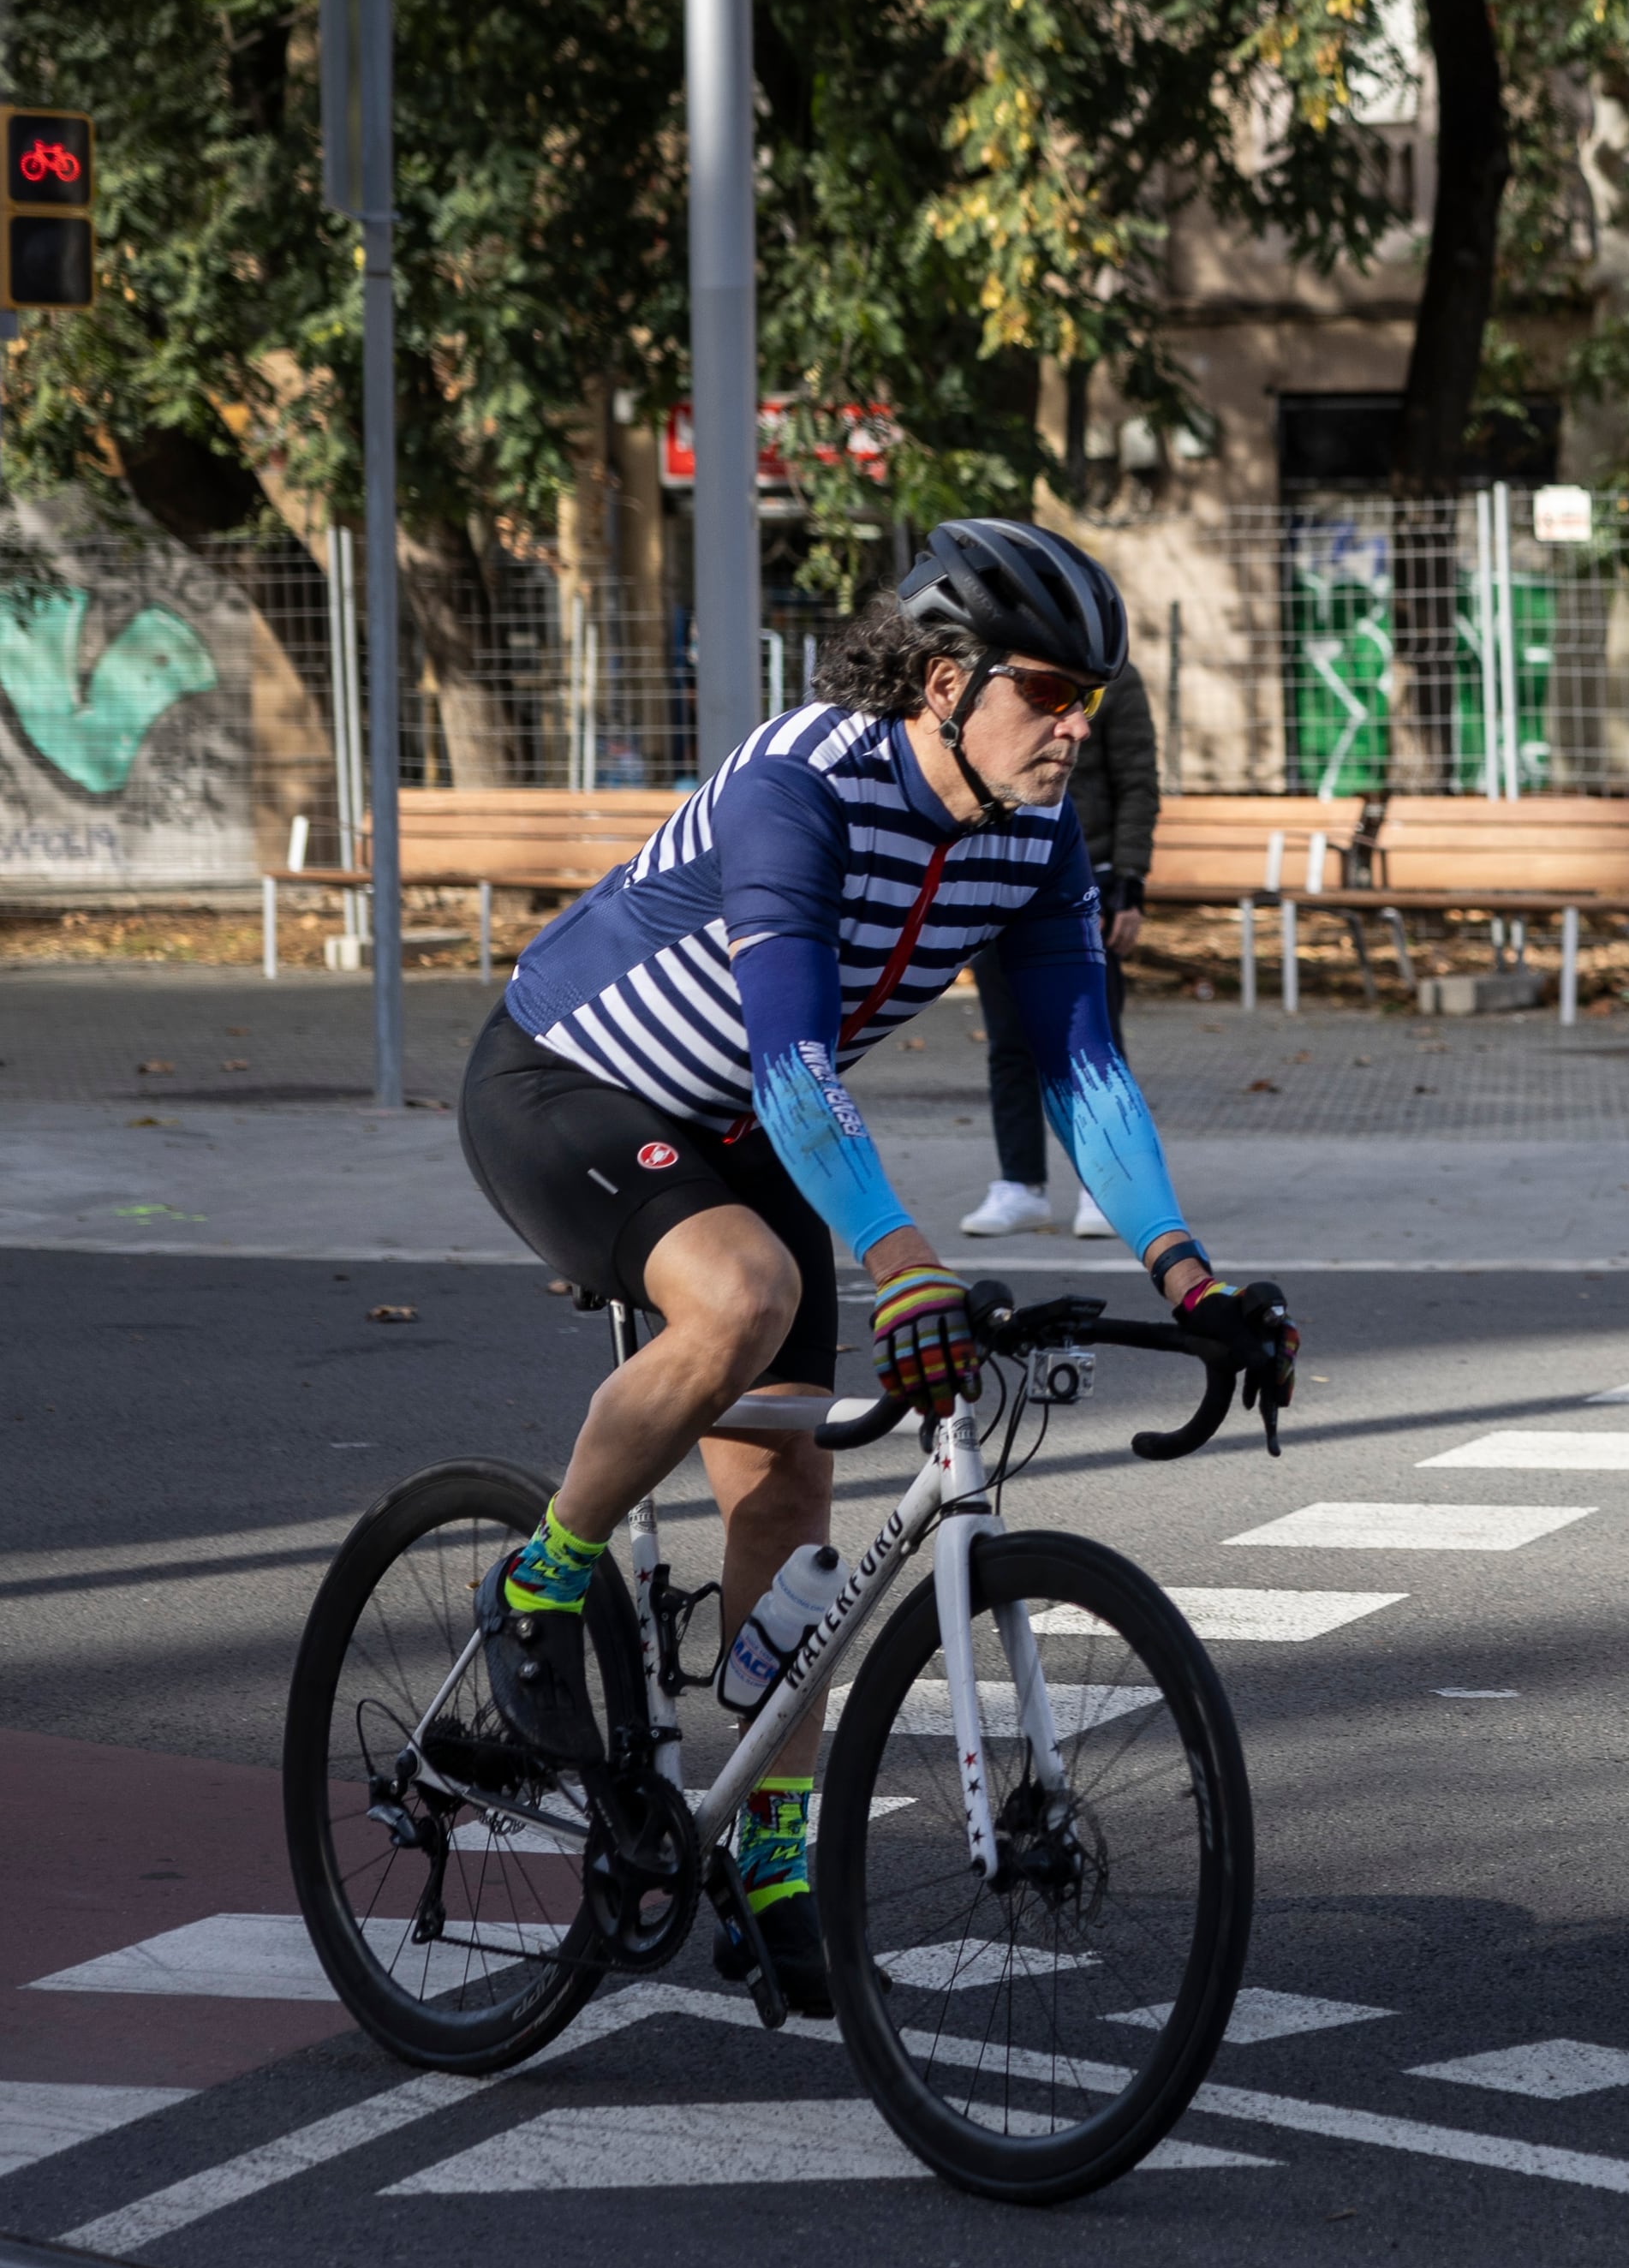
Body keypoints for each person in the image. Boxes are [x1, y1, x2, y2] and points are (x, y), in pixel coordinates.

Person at [456, 522, 1300, 2012]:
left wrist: (1189, 1274)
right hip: (571, 1083)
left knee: (789, 1493)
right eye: (1046, 688)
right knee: (746, 1296)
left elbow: (1083, 1072)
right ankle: (538, 1583)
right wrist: (903, 1255)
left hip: (748, 1122)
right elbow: (789, 1057)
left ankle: (770, 1853)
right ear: (940, 677)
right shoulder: (807, 782)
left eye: (1090, 697)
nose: (1073, 723)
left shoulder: (1032, 839)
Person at [962, 657, 1158, 1237]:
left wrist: (1129, 881)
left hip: (1080, 874)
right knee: (1008, 1042)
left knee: (1090, 1042)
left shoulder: (1117, 681)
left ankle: (1107, 1183)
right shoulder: (995, 673)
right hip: (995, 871)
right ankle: (1020, 1183)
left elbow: (1138, 779)